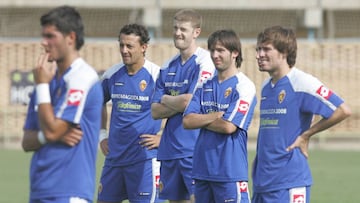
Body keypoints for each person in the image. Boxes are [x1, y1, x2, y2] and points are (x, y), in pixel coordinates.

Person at [251, 25, 352, 203]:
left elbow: (343, 110)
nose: (259, 55)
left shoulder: (302, 83)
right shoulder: (266, 86)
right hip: (263, 182)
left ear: (284, 52)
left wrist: (306, 135)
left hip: (289, 182)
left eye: (266, 49)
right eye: (258, 49)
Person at [21, 5, 103, 203]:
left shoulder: (82, 77)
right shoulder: (46, 79)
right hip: (40, 190)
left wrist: (41, 85)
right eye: (43, 36)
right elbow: (27, 141)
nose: (44, 43)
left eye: (50, 36)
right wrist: (46, 136)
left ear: (71, 38)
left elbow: (52, 131)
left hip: (70, 192)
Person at [183, 29, 257, 203]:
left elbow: (228, 126)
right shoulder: (204, 85)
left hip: (230, 174)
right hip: (202, 172)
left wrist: (200, 119)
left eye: (220, 50)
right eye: (212, 51)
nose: (215, 55)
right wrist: (214, 116)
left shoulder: (244, 86)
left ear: (235, 53)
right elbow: (186, 121)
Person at [151, 9, 216, 203]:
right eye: (175, 28)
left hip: (194, 149)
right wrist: (180, 102)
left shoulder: (205, 62)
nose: (178, 33)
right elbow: (154, 112)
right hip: (169, 150)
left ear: (196, 32)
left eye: (183, 29)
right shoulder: (167, 65)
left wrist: (166, 99)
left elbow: (191, 102)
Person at [97, 23, 163, 203]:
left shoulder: (158, 76)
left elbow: (181, 109)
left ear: (143, 48)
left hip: (145, 160)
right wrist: (102, 135)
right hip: (115, 159)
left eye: (130, 46)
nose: (124, 50)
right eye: (121, 45)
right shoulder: (112, 75)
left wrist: (164, 138)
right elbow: (98, 103)